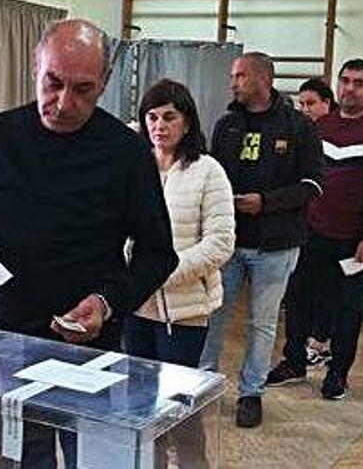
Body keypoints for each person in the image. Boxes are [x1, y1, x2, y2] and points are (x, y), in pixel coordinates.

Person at [0, 19, 178, 468]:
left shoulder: (126, 151)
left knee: (96, 461)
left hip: (93, 347)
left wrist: (107, 302)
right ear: (35, 69)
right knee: (22, 461)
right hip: (9, 341)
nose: (63, 103)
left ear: (103, 85)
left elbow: (158, 252)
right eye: (54, 83)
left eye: (82, 90)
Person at [198, 52, 324, 428]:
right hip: (229, 243)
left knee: (262, 323)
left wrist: (266, 203)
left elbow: (314, 185)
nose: (232, 82)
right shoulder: (227, 124)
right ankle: (203, 383)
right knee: (213, 316)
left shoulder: (299, 127)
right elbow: (210, 175)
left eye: (239, 76)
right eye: (233, 76)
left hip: (277, 244)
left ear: (262, 79)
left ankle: (251, 392)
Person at [266, 59, 363, 401]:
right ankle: (294, 362)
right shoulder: (319, 126)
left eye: (358, 83)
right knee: (297, 299)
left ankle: (338, 373)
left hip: (354, 241)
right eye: (344, 81)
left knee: (347, 309)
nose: (349, 89)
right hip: (310, 233)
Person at [124, 79, 234, 467]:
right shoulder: (135, 167)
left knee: (179, 405)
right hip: (134, 307)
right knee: (140, 403)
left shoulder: (208, 170)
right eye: (151, 117)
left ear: (187, 122)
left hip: (185, 312)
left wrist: (161, 273)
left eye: (169, 117)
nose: (159, 126)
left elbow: (220, 242)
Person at [293, 77, 338, 368]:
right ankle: (301, 344)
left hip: (331, 223)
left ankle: (321, 341)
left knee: (327, 287)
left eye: (311, 103)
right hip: (304, 221)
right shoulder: (301, 132)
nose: (305, 109)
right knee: (302, 287)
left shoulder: (332, 135)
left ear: (327, 104)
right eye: (301, 104)